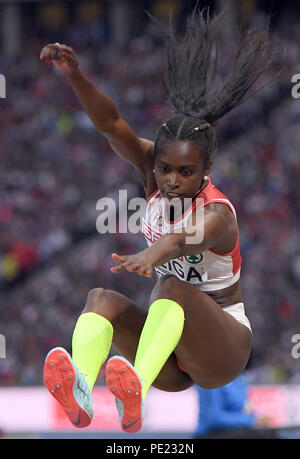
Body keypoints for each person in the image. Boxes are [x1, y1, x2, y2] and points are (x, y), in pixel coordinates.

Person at [40, 8, 276, 433]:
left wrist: (151, 253)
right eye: (165, 169)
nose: (171, 180)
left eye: (185, 173)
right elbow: (111, 124)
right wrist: (75, 75)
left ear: (206, 170)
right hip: (169, 354)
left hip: (222, 350)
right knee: (101, 299)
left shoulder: (218, 213)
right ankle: (80, 387)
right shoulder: (153, 172)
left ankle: (136, 386)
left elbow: (184, 240)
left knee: (170, 286)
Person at [194, 374, 272, 438]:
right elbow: (214, 418)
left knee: (269, 431)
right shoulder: (211, 379)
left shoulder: (239, 379)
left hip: (233, 431)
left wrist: (257, 417)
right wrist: (251, 420)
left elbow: (244, 407)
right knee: (263, 434)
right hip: (210, 434)